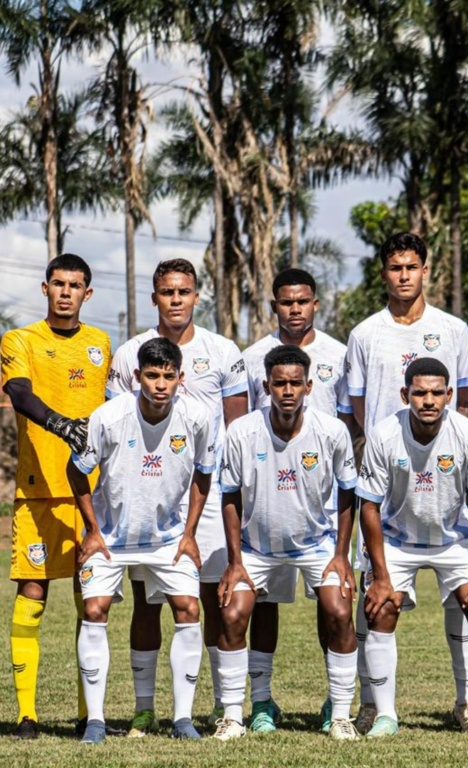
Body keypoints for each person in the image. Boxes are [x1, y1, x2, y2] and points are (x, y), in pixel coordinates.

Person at [346, 232, 468, 733]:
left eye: (412, 267)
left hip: (446, 483)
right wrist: (392, 447)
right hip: (389, 484)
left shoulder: (454, 329)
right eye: (395, 267)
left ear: (426, 271)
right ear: (384, 273)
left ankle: (467, 702)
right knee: (375, 599)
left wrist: (446, 452)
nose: (404, 275)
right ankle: (372, 704)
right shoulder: (365, 334)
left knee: (463, 599)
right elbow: (357, 409)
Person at [106, 258, 248, 735]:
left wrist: (230, 487)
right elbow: (113, 425)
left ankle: (216, 706)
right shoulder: (129, 354)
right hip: (147, 499)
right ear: (155, 298)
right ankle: (145, 708)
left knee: (210, 599)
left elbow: (238, 427)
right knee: (148, 604)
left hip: (204, 497)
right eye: (167, 292)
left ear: (196, 296)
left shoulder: (223, 351)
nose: (175, 300)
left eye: (183, 292)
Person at [68, 337, 214, 744]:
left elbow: (204, 473)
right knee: (95, 609)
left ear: (181, 378)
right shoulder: (108, 417)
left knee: (188, 607)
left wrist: (189, 534)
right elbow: (76, 471)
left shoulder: (199, 418)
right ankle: (96, 721)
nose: (161, 384)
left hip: (169, 538)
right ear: (137, 377)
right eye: (152, 375)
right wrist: (93, 531)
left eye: (169, 376)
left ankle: (183, 719)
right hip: (111, 537)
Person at [356, 357, 468, 737]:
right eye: (420, 393)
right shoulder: (383, 434)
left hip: (453, 539)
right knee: (381, 609)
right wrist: (380, 576)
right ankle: (387, 716)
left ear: (449, 396)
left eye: (437, 393)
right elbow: (370, 508)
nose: (428, 400)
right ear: (405, 394)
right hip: (396, 538)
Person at [214, 345, 359, 741]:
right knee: (232, 614)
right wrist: (235, 561)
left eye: (296, 383)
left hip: (317, 545)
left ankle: (341, 713)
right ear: (267, 386)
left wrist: (342, 556)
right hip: (257, 549)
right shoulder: (242, 431)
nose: (288, 391)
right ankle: (238, 713)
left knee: (340, 611)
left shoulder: (331, 431)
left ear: (309, 386)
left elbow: (349, 494)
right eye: (280, 383)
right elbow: (229, 496)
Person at [1, 253, 110, 739]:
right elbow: (19, 394)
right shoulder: (19, 339)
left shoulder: (101, 343)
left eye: (76, 286)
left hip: (89, 493)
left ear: (88, 295)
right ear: (44, 288)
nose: (66, 292)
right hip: (37, 492)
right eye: (59, 284)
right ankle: (27, 714)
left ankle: (91, 714)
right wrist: (61, 425)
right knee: (33, 596)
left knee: (91, 601)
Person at [243, 268, 355, 733]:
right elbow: (243, 426)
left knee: (330, 606)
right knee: (263, 605)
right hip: (268, 502)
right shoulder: (253, 358)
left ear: (315, 304)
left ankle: (336, 701)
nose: (295, 309)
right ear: (274, 306)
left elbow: (351, 420)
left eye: (303, 301)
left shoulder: (339, 355)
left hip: (323, 505)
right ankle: (263, 703)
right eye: (286, 302)